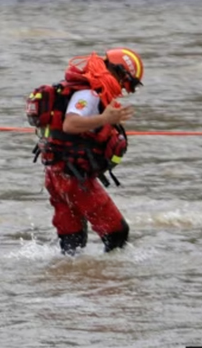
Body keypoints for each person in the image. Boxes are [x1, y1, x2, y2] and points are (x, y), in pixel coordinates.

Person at [35, 48, 143, 255]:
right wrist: (105, 119)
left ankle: (70, 274)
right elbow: (70, 124)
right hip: (75, 180)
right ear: (119, 72)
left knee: (72, 242)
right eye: (127, 83)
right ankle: (110, 275)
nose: (124, 90)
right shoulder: (89, 94)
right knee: (117, 233)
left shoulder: (79, 88)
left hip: (57, 175)